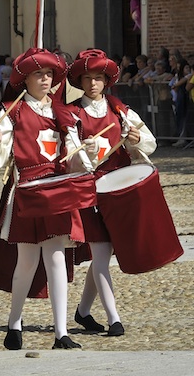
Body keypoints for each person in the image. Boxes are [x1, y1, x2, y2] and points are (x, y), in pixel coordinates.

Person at [0, 47, 85, 350]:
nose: (45, 79)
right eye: (38, 73)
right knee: (27, 261)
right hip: (27, 190)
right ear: (26, 79)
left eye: (49, 74)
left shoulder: (65, 113)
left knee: (57, 257)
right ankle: (15, 322)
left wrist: (89, 153)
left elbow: (77, 160)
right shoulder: (12, 111)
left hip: (58, 191)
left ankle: (61, 332)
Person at [65, 48, 157, 337]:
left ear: (106, 81)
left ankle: (82, 311)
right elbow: (68, 159)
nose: (93, 83)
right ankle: (115, 319)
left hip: (120, 189)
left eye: (98, 78)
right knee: (102, 253)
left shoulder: (121, 111)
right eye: (87, 78)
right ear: (80, 81)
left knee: (104, 255)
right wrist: (85, 153)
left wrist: (136, 138)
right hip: (90, 191)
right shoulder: (72, 114)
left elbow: (149, 144)